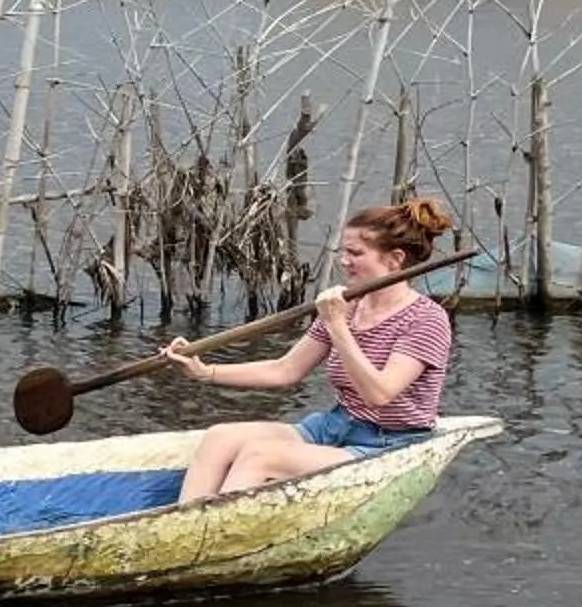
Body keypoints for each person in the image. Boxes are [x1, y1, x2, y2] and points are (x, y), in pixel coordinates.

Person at [166, 196, 459, 504]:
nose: (344, 261)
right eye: (343, 251)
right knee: (219, 438)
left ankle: (214, 537)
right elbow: (286, 370)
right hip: (335, 425)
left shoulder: (426, 319)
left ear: (395, 259)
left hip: (388, 442)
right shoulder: (348, 306)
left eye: (355, 253)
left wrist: (338, 327)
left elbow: (381, 393)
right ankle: (188, 524)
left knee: (259, 457)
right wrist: (205, 371)